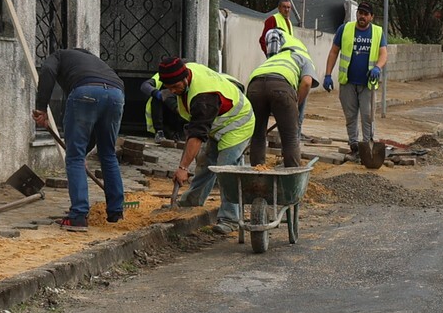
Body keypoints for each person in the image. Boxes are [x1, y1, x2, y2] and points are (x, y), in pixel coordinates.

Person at [32, 47, 133, 230]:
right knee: (108, 154)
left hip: (85, 93)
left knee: (74, 157)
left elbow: (47, 71)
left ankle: (78, 216)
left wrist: (41, 108)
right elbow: (93, 131)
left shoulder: (59, 55)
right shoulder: (95, 62)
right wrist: (84, 153)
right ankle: (116, 212)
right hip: (116, 95)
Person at [154, 56, 256, 231]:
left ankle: (230, 219)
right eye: (168, 87)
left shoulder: (204, 97)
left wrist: (183, 168)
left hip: (238, 124)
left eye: (176, 86)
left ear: (185, 78)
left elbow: (197, 135)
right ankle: (192, 201)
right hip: (218, 124)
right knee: (206, 162)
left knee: (226, 169)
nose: (172, 91)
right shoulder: (187, 70)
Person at [324, 0, 390, 161]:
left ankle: (367, 147)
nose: (362, 16)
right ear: (357, 13)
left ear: (371, 17)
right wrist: (327, 75)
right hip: (348, 82)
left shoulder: (377, 32)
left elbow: (383, 54)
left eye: (366, 14)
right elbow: (334, 52)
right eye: (360, 13)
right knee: (350, 116)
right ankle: (354, 146)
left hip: (367, 83)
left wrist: (378, 67)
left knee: (368, 116)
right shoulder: (345, 29)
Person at [244, 28, 314, 169]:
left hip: (254, 86)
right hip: (281, 87)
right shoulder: (304, 57)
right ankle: (291, 177)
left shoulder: (275, 58)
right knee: (290, 138)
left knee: (257, 134)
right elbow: (306, 83)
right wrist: (295, 104)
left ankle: (257, 173)